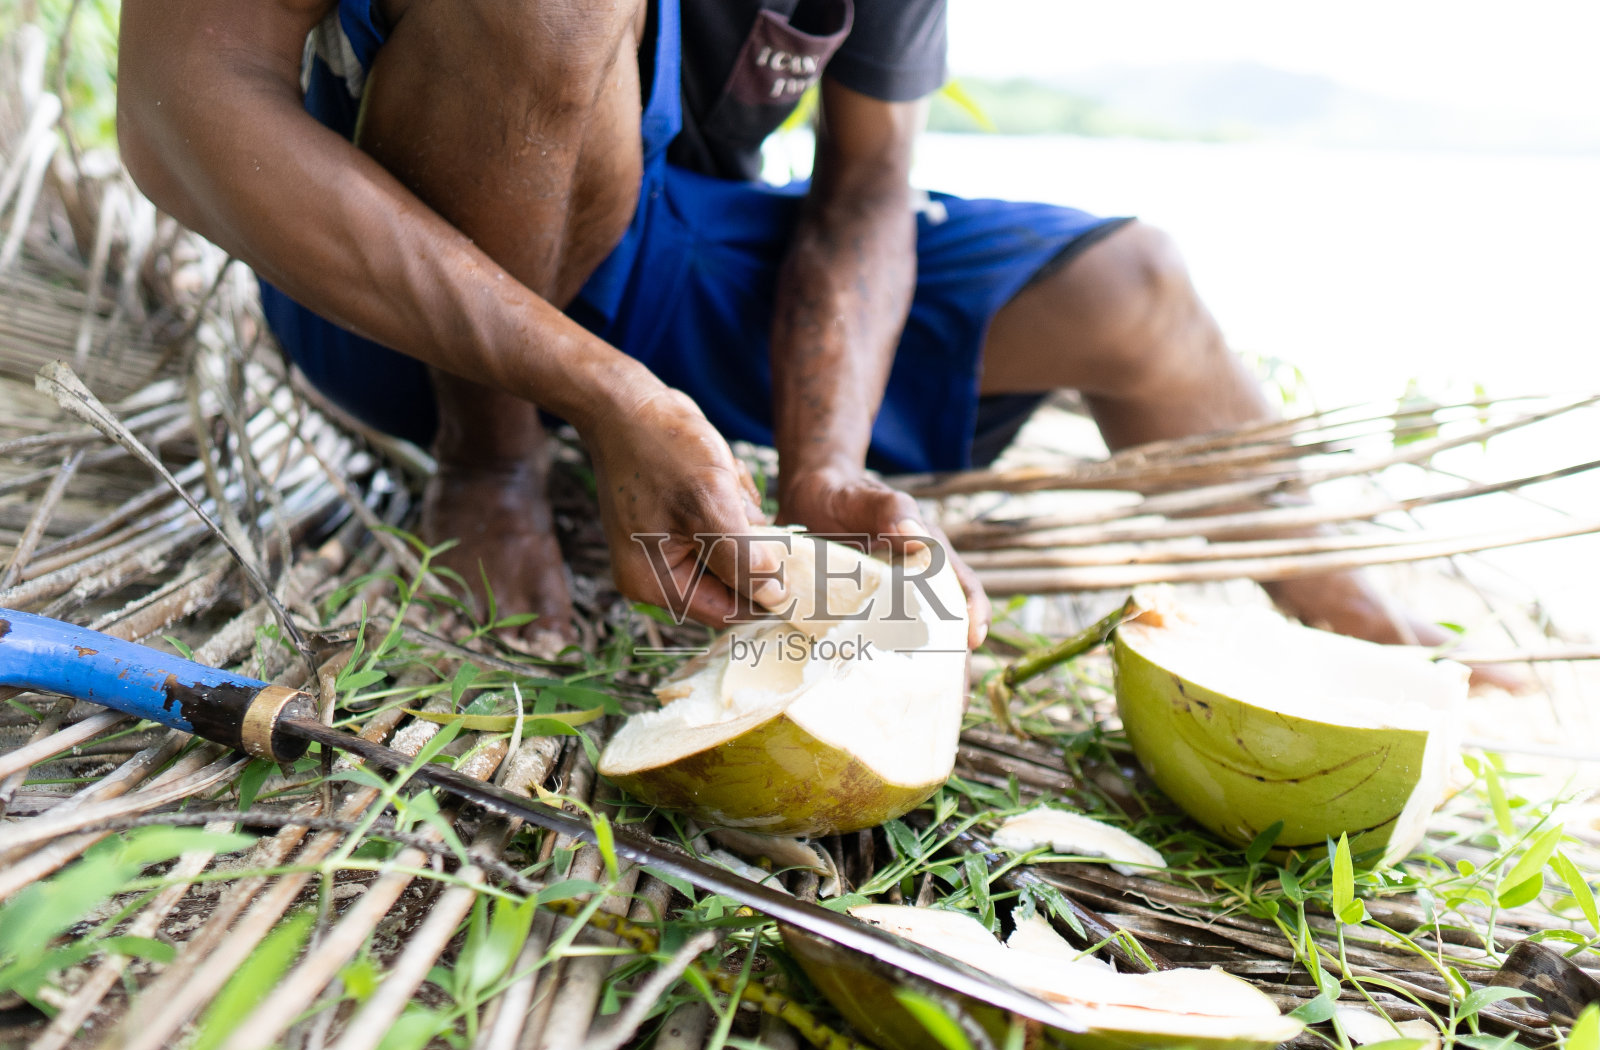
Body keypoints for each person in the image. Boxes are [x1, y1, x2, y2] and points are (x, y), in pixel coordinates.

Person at [116, 0, 1461, 662]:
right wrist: (578, 407)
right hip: (388, 257)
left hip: (658, 232)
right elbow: (183, 101)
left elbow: (867, 185)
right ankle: (494, 456)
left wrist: (823, 459)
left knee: (1137, 287)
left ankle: (1362, 637)